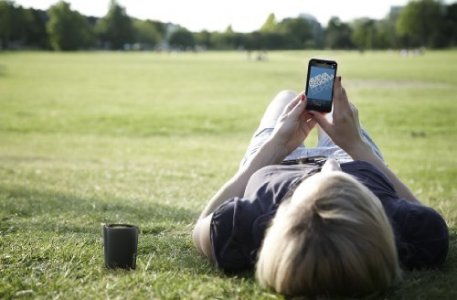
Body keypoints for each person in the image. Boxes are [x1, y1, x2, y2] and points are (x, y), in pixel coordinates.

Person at [192, 76, 449, 297]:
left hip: (278, 161)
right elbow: (419, 210)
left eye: (321, 181)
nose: (330, 166)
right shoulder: (408, 227)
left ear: (283, 214)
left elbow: (202, 223)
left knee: (286, 98)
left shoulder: (244, 225)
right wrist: (355, 145)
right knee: (334, 112)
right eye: (341, 183)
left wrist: (275, 146)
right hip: (353, 156)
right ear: (374, 218)